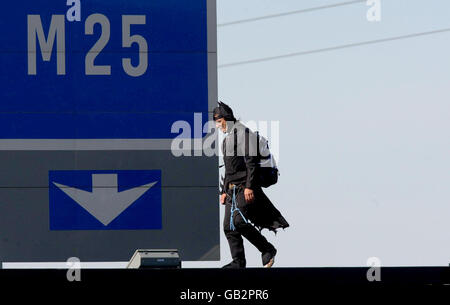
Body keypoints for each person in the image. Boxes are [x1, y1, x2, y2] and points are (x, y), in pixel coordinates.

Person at [213, 101, 289, 268]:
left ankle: (267, 249)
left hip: (245, 187)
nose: (218, 126)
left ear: (226, 118)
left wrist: (249, 187)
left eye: (218, 122)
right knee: (229, 227)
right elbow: (229, 168)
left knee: (239, 222)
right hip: (232, 189)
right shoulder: (227, 140)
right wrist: (224, 191)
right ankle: (238, 262)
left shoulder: (244, 134)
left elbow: (251, 163)